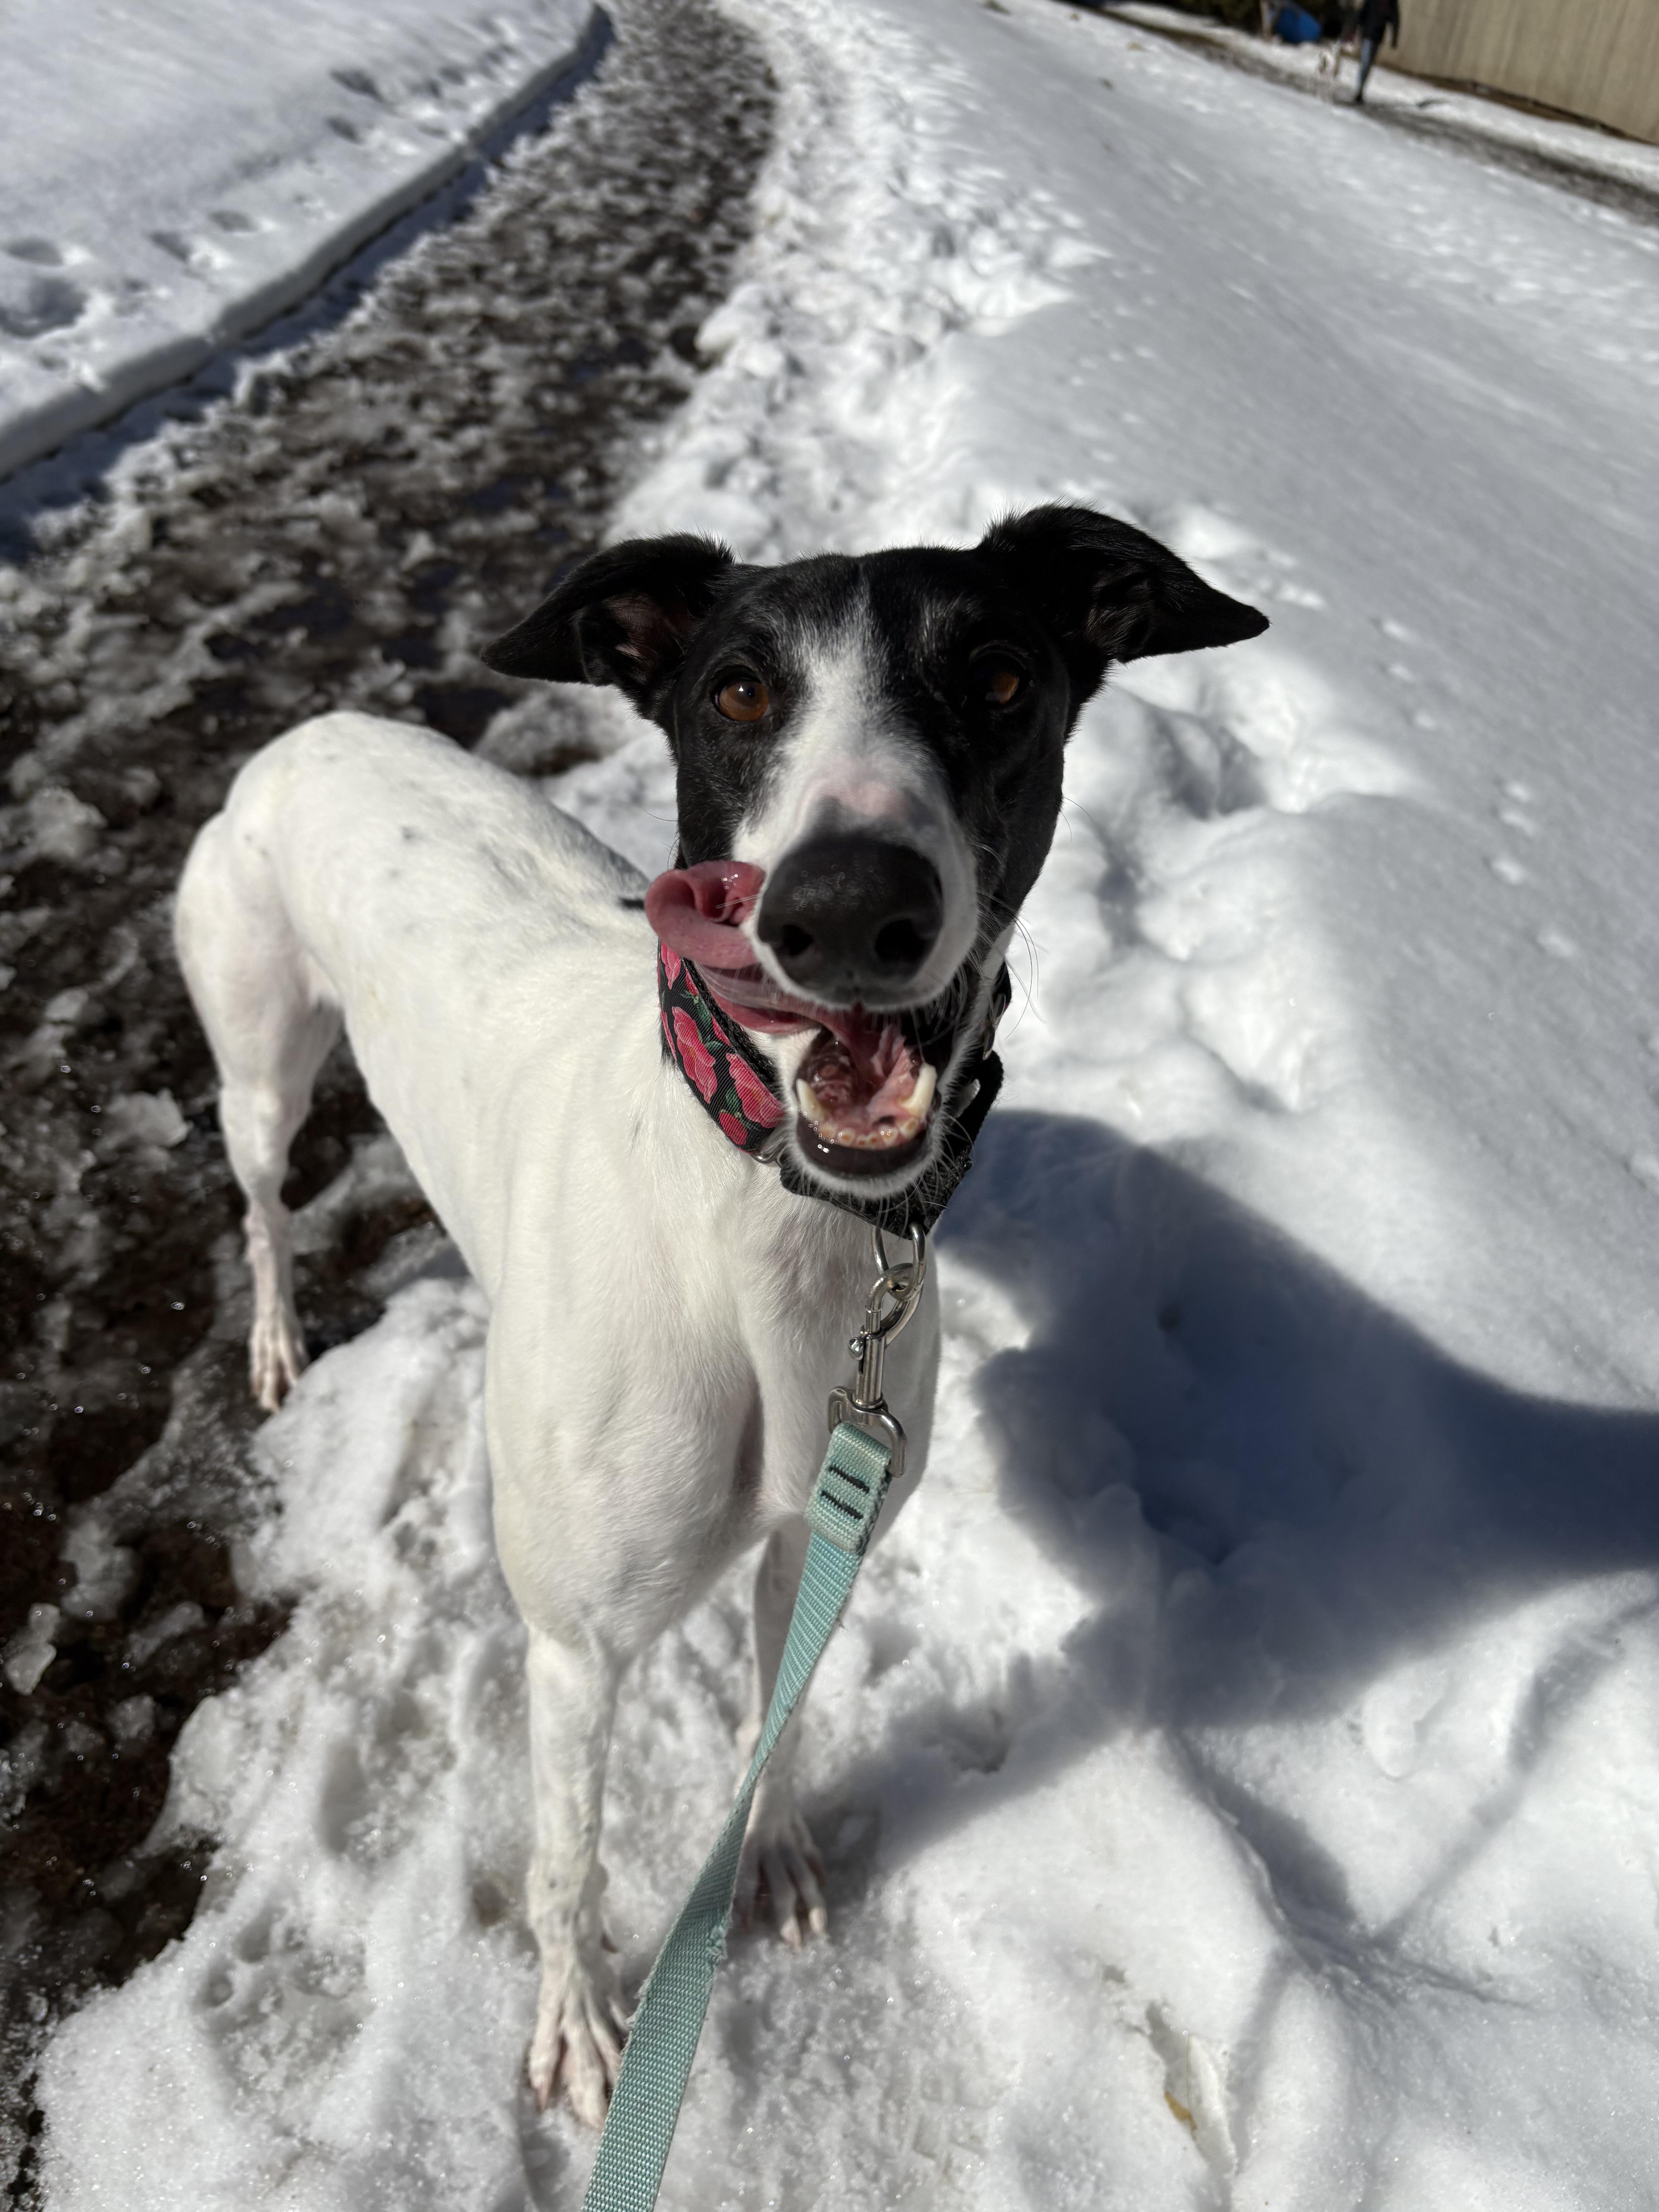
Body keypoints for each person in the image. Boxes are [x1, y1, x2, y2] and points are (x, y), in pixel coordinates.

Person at [1352, 0, 1400, 103]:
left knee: (1368, 64)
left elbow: (1395, 18)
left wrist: (1394, 38)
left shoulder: (1391, 2)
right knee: (1365, 62)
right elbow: (1363, 12)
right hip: (1367, 35)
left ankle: (1361, 90)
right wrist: (1354, 28)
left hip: (1378, 38)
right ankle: (1359, 90)